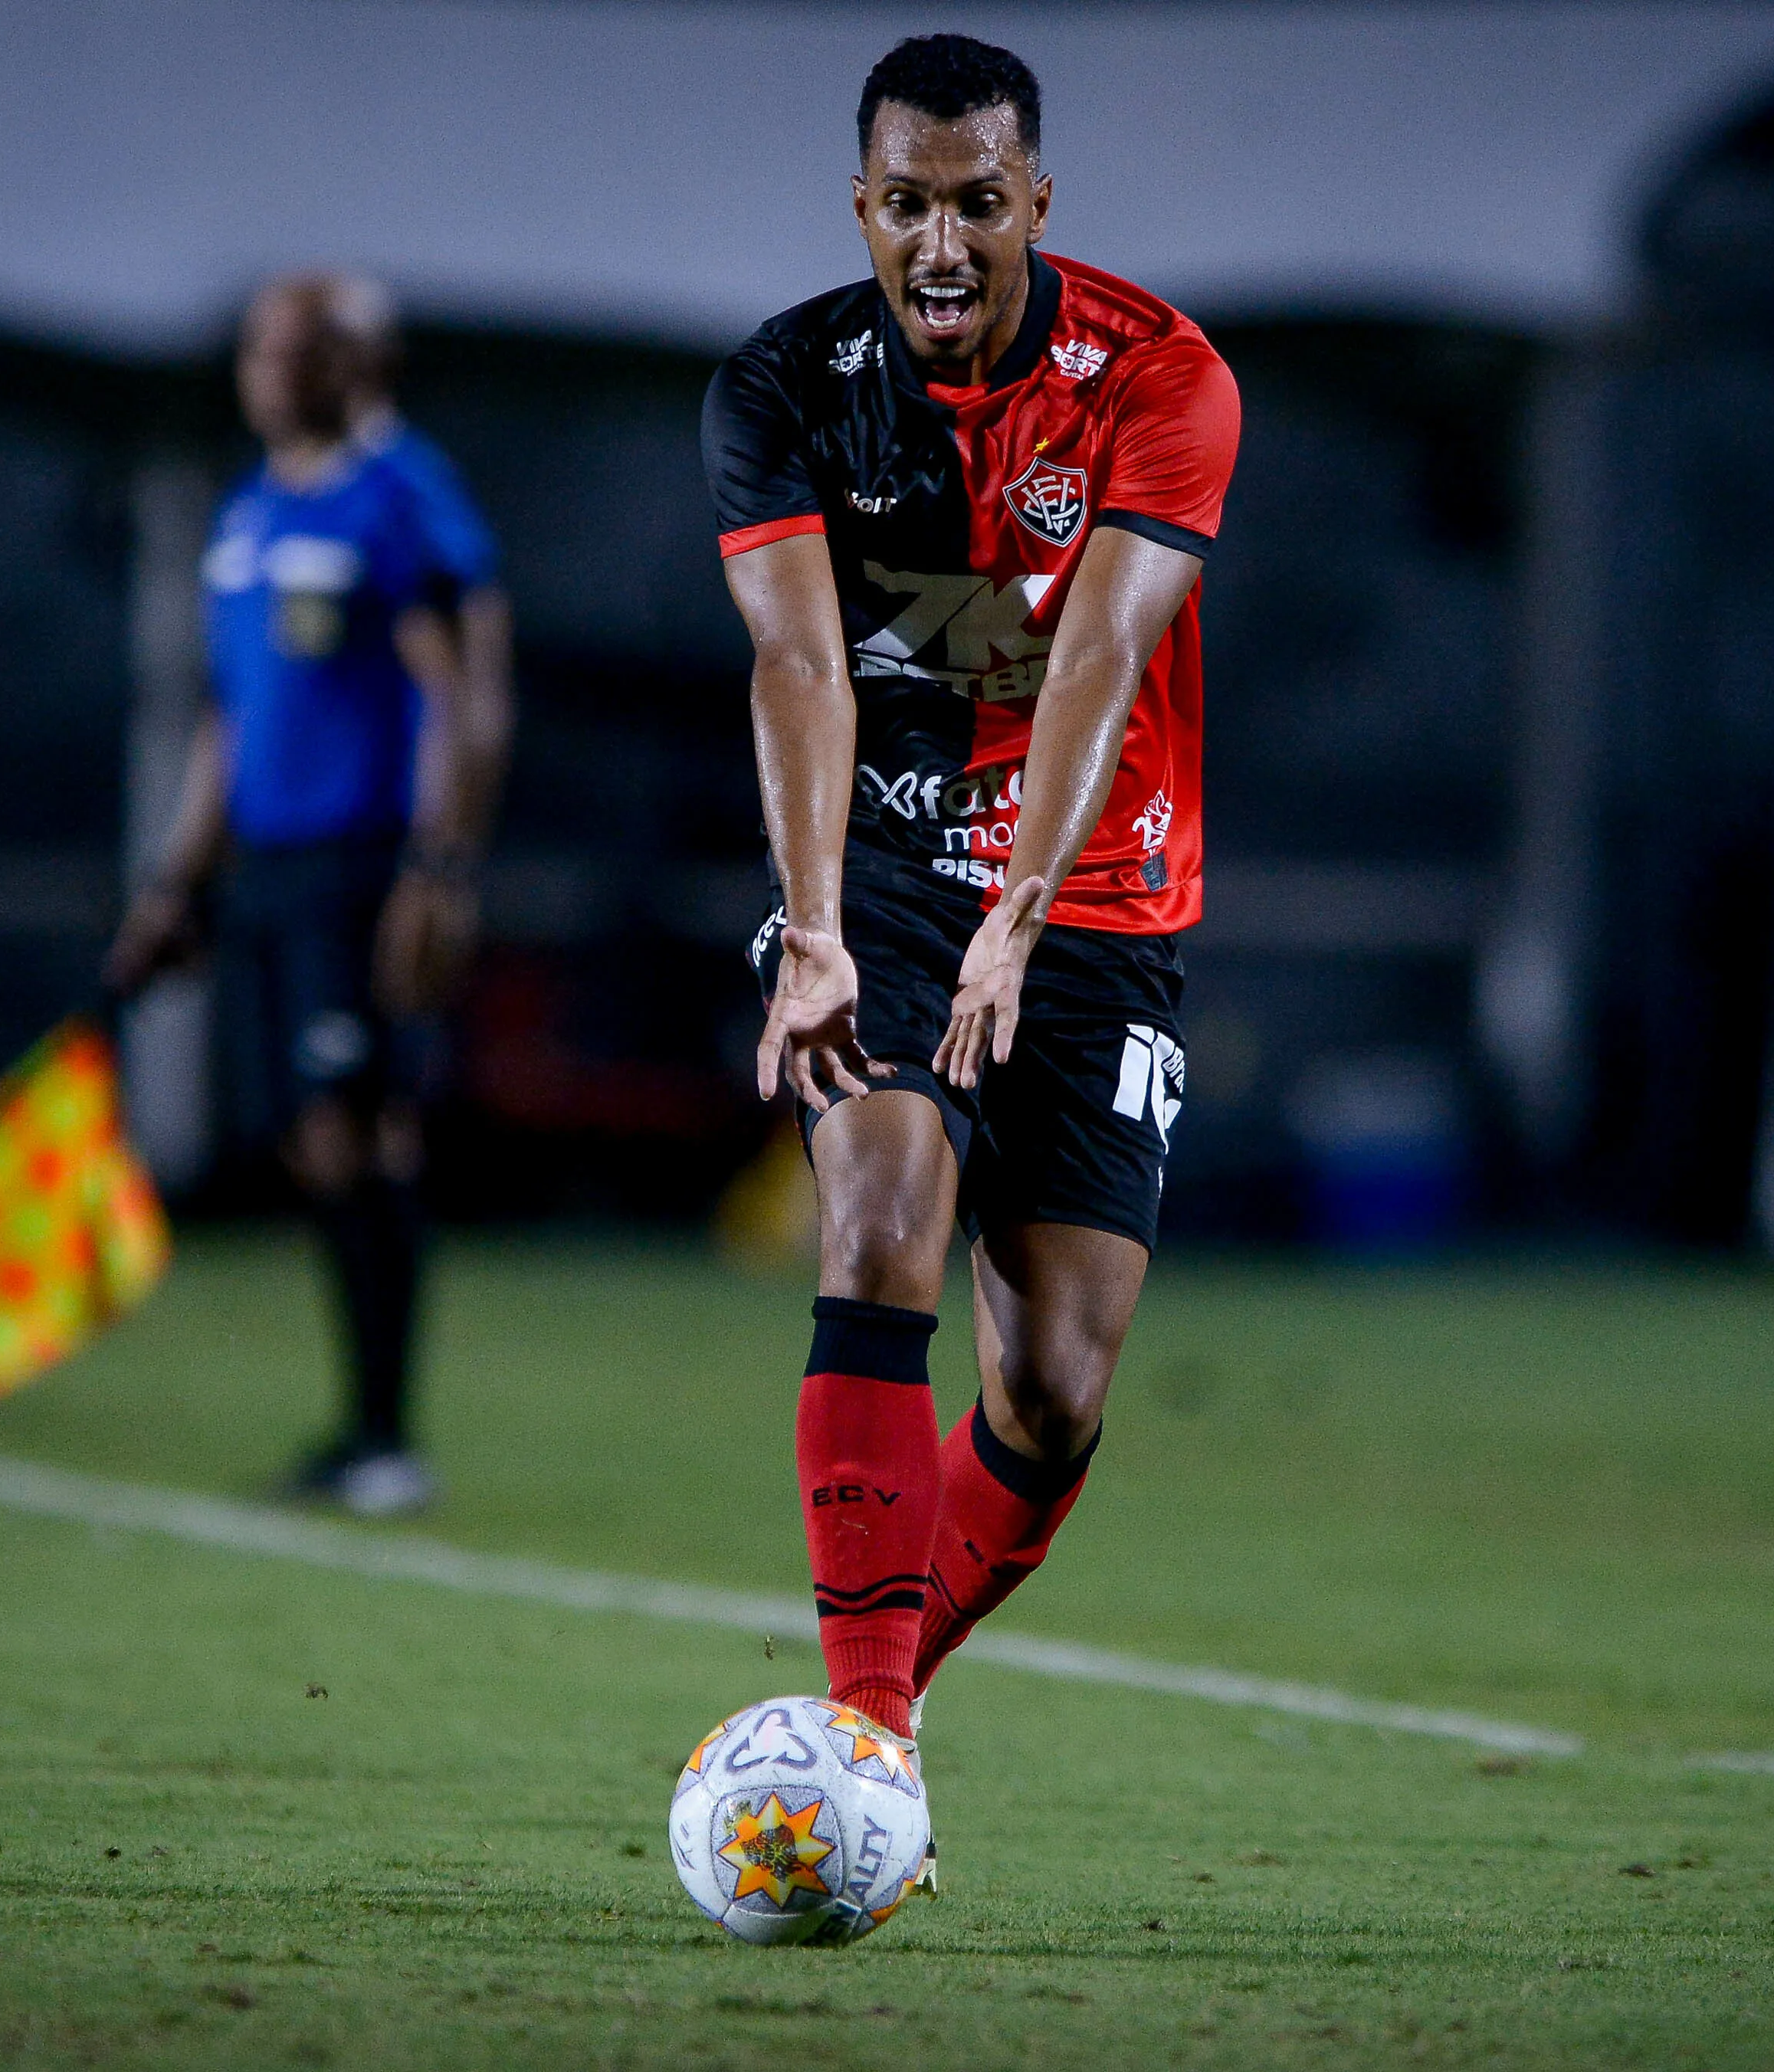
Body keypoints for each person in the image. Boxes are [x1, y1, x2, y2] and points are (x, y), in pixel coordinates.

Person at [703, 32, 1239, 1776]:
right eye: (909, 207)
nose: (943, 246)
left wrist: (1023, 911)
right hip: (883, 875)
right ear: (862, 206)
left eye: (979, 205)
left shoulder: (1160, 377)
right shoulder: (782, 386)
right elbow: (797, 657)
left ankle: (873, 1693)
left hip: (1094, 889)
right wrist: (812, 931)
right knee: (876, 1215)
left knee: (1054, 1385)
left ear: (1036, 203)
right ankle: (862, 1744)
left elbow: (1099, 648)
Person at [109, 272, 513, 1516]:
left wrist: (441, 866)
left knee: (364, 1127)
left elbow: (458, 695)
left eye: (293, 350)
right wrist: (178, 880)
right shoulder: (241, 519)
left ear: (352, 365)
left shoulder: (398, 505)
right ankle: (358, 1429)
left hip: (360, 866)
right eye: (258, 348)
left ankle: (389, 1436)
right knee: (310, 1138)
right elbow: (232, 724)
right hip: (270, 872)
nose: (266, 370)